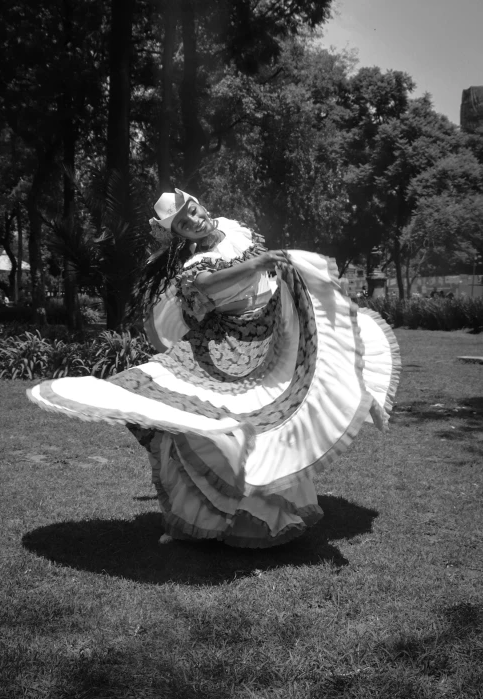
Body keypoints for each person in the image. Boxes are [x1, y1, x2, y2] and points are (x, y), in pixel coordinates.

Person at [28, 188, 400, 548]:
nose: (194, 221)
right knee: (188, 410)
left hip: (270, 332)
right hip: (225, 344)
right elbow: (207, 281)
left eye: (192, 211)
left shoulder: (234, 228)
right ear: (177, 234)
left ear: (200, 206)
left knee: (269, 417)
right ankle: (200, 518)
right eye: (182, 224)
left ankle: (260, 513)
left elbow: (263, 270)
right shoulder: (195, 263)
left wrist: (275, 268)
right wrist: (258, 263)